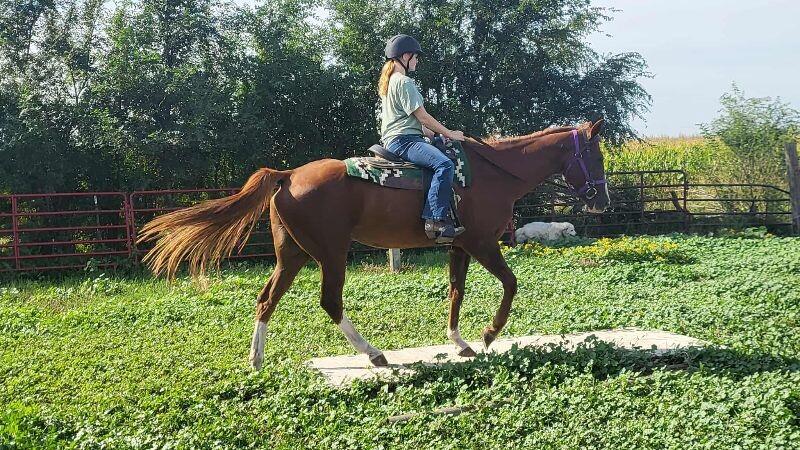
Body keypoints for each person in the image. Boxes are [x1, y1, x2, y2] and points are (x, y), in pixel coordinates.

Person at [378, 34, 466, 242]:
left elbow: (415, 123)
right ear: (406, 56)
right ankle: (435, 220)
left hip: (401, 137)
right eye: (416, 57)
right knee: (444, 165)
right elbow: (423, 117)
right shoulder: (404, 82)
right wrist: (450, 133)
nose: (417, 61)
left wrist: (437, 135)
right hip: (405, 141)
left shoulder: (390, 82)